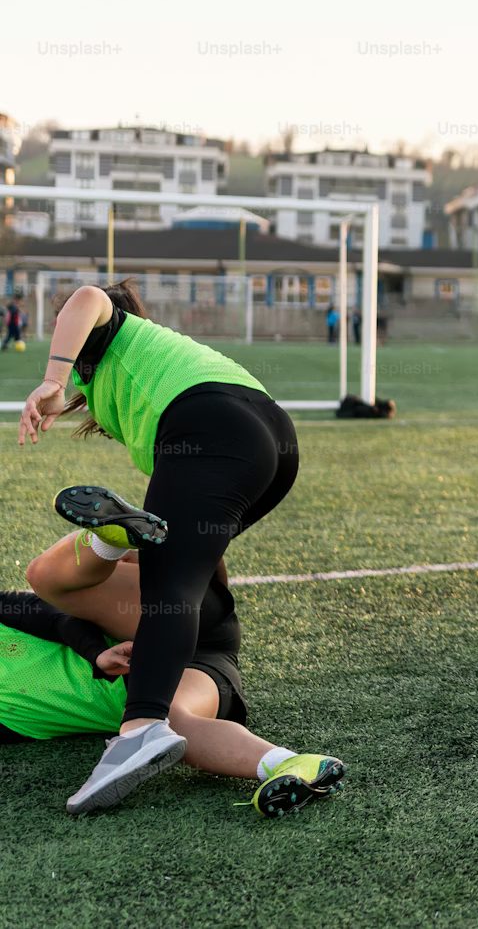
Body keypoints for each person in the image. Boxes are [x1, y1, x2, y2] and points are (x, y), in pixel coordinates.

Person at [16, 279, 300, 812]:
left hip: (212, 425)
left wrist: (51, 378)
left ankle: (142, 726)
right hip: (271, 440)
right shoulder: (139, 370)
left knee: (170, 581)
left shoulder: (107, 335)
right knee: (176, 567)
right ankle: (119, 545)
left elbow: (85, 296)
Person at [11, 514, 345, 816]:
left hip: (145, 629)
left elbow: (49, 614)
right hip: (195, 667)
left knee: (51, 579)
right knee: (166, 729)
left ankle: (114, 536)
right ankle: (293, 764)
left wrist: (95, 652)